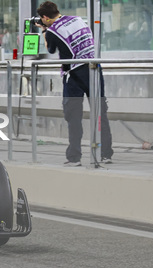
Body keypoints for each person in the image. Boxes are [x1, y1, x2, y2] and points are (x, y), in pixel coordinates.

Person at [37, 1, 113, 166]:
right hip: (94, 68)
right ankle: (106, 154)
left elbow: (50, 49)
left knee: (74, 117)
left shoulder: (52, 31)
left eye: (43, 20)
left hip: (74, 75)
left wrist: (44, 31)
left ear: (45, 17)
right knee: (100, 114)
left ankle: (74, 157)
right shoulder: (78, 19)